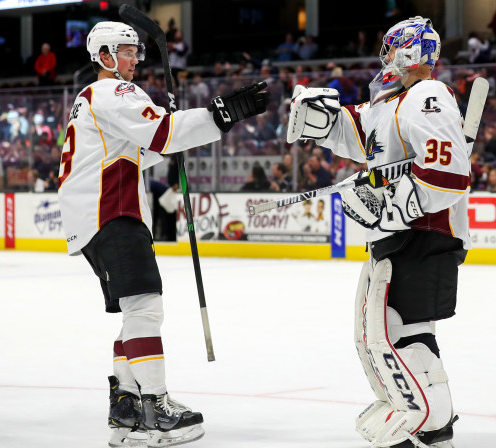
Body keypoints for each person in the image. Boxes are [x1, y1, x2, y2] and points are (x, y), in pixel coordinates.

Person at [57, 22, 269, 448]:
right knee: (146, 307)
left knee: (137, 311)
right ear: (103, 56)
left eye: (137, 51)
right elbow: (161, 135)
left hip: (94, 215)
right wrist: (218, 115)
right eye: (126, 51)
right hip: (111, 210)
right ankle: (155, 405)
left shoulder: (91, 100)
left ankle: (127, 406)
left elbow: (147, 148)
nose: (136, 59)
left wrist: (179, 127)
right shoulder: (112, 92)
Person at [287, 17, 466, 447]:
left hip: (422, 233)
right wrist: (327, 123)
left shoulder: (426, 94)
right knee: (401, 332)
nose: (384, 57)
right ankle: (436, 424)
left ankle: (419, 416)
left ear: (409, 51)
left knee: (391, 333)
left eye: (390, 48)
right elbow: (363, 136)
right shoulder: (392, 100)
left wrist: (391, 203)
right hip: (404, 234)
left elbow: (448, 174)